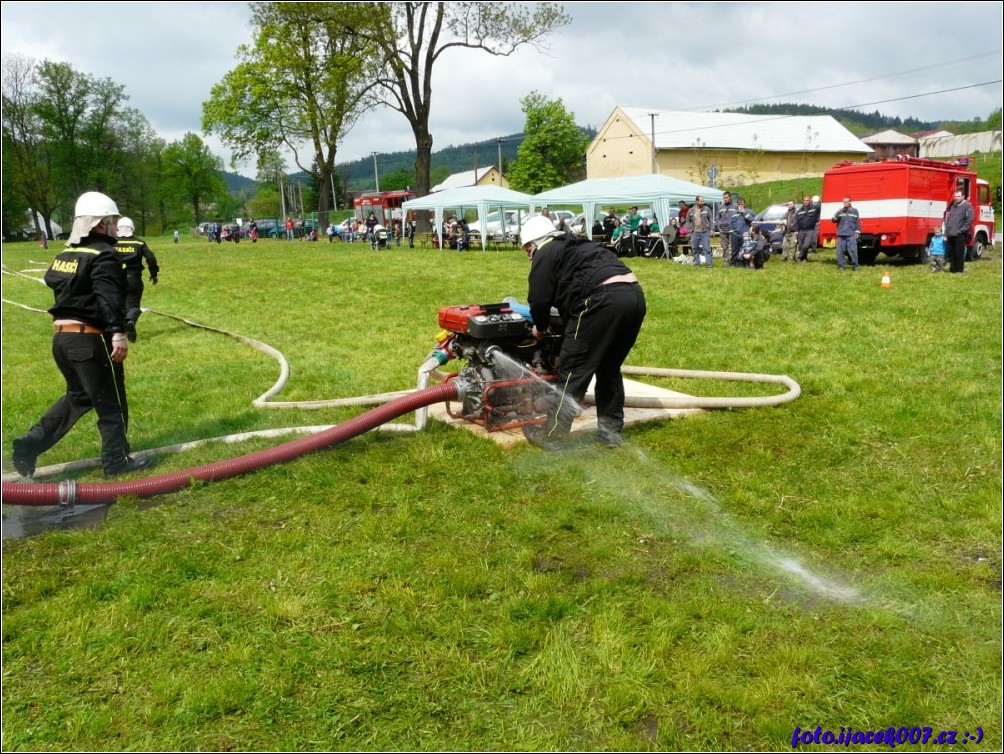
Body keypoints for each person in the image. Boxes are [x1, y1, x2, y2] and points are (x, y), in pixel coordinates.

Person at [11, 191, 151, 480]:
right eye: (112, 221)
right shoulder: (104, 255)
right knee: (110, 403)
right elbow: (108, 298)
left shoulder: (66, 254)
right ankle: (116, 462)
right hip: (88, 339)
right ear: (100, 224)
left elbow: (54, 280)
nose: (116, 227)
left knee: (79, 397)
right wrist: (118, 334)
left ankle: (31, 442)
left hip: (62, 340)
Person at [519, 215, 646, 450]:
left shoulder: (544, 253)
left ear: (535, 242)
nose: (528, 254)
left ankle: (552, 435)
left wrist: (540, 326)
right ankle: (610, 434)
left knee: (572, 372)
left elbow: (539, 299)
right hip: (633, 296)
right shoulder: (579, 245)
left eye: (527, 248)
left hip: (599, 301)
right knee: (609, 368)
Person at [115, 217, 160, 342]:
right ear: (132, 229)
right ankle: (130, 321)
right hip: (133, 278)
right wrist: (154, 273)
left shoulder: (112, 243)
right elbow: (151, 258)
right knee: (133, 304)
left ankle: (121, 331)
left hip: (116, 279)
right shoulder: (139, 243)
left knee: (119, 305)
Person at [944, 189, 974, 274]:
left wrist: (961, 230)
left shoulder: (967, 206)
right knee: (952, 253)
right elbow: (948, 221)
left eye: (958, 196)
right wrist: (946, 234)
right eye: (955, 196)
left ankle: (959, 270)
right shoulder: (953, 206)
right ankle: (952, 270)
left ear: (963, 196)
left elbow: (970, 219)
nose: (956, 198)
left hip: (960, 234)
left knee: (959, 253)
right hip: (951, 233)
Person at [832, 196, 861, 271]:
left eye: (846, 202)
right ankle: (842, 266)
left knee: (853, 251)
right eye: (843, 202)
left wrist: (857, 231)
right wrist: (836, 213)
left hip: (851, 234)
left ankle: (855, 266)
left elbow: (857, 222)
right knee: (840, 252)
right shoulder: (840, 211)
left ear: (850, 202)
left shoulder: (855, 211)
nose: (844, 203)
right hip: (841, 234)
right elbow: (833, 220)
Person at [685, 195, 714, 268]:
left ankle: (709, 265)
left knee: (707, 248)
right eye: (701, 201)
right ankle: (697, 263)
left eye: (703, 201)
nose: (702, 202)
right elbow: (687, 220)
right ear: (696, 201)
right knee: (695, 249)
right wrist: (689, 230)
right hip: (695, 232)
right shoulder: (691, 210)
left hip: (704, 232)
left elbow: (711, 219)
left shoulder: (706, 209)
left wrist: (712, 229)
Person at [728, 198, 756, 266]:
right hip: (735, 235)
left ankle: (744, 264)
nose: (741, 206)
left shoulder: (749, 212)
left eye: (742, 204)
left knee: (745, 250)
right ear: (737, 204)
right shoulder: (734, 213)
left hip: (745, 235)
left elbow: (753, 220)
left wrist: (745, 213)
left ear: (745, 204)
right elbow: (731, 223)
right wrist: (732, 232)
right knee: (734, 251)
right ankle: (733, 263)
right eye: (739, 204)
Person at [794, 195, 821, 262]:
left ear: (810, 201)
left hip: (810, 230)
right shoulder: (800, 210)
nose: (806, 202)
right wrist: (796, 230)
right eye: (805, 200)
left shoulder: (814, 208)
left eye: (807, 200)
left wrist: (818, 220)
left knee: (806, 245)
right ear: (803, 201)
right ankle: (804, 259)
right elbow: (796, 221)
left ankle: (799, 256)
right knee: (801, 246)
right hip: (801, 230)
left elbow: (820, 208)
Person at [716, 191, 738, 263]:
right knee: (724, 247)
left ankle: (734, 260)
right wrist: (719, 225)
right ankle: (726, 261)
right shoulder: (721, 207)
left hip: (732, 230)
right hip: (723, 230)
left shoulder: (735, 206)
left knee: (733, 246)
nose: (725, 199)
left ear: (730, 197)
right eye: (724, 198)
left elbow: (738, 217)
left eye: (726, 197)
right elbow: (717, 217)